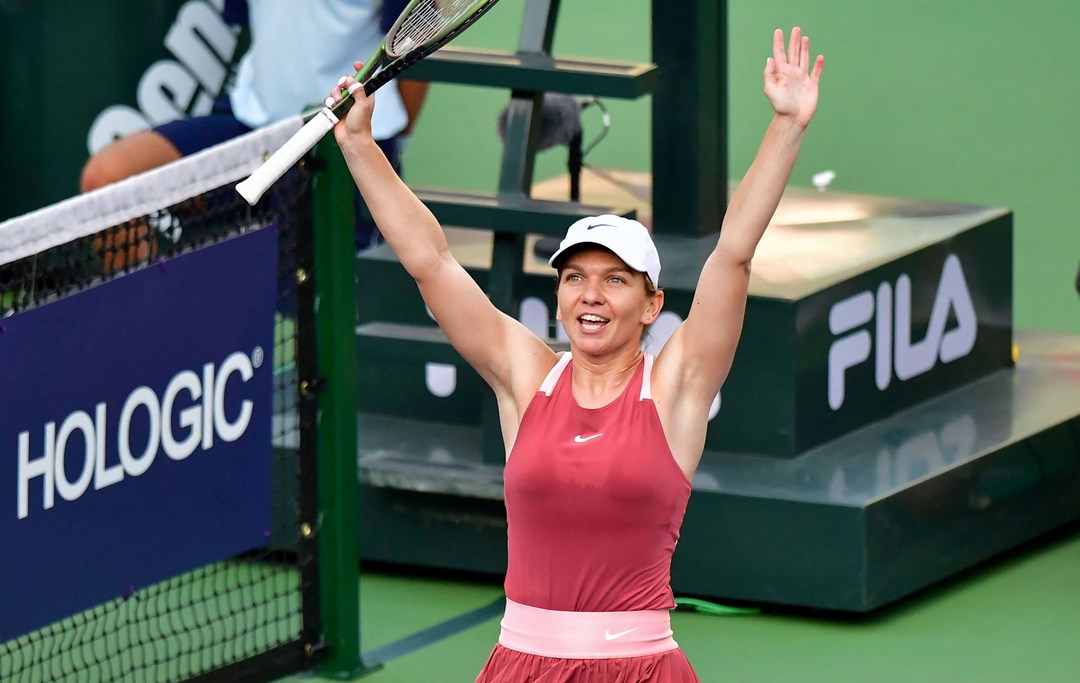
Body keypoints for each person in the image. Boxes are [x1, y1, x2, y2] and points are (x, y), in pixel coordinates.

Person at [329, 26, 823, 682]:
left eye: (614, 279)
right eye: (574, 277)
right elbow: (433, 263)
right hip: (520, 666)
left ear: (651, 304)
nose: (590, 295)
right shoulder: (526, 375)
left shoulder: (677, 387)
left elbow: (732, 252)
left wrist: (787, 126)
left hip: (639, 668)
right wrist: (360, 146)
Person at [80, 0, 427, 253]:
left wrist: (379, 137)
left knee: (321, 321)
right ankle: (154, 336)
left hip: (340, 150)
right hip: (251, 129)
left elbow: (412, 48)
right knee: (108, 179)